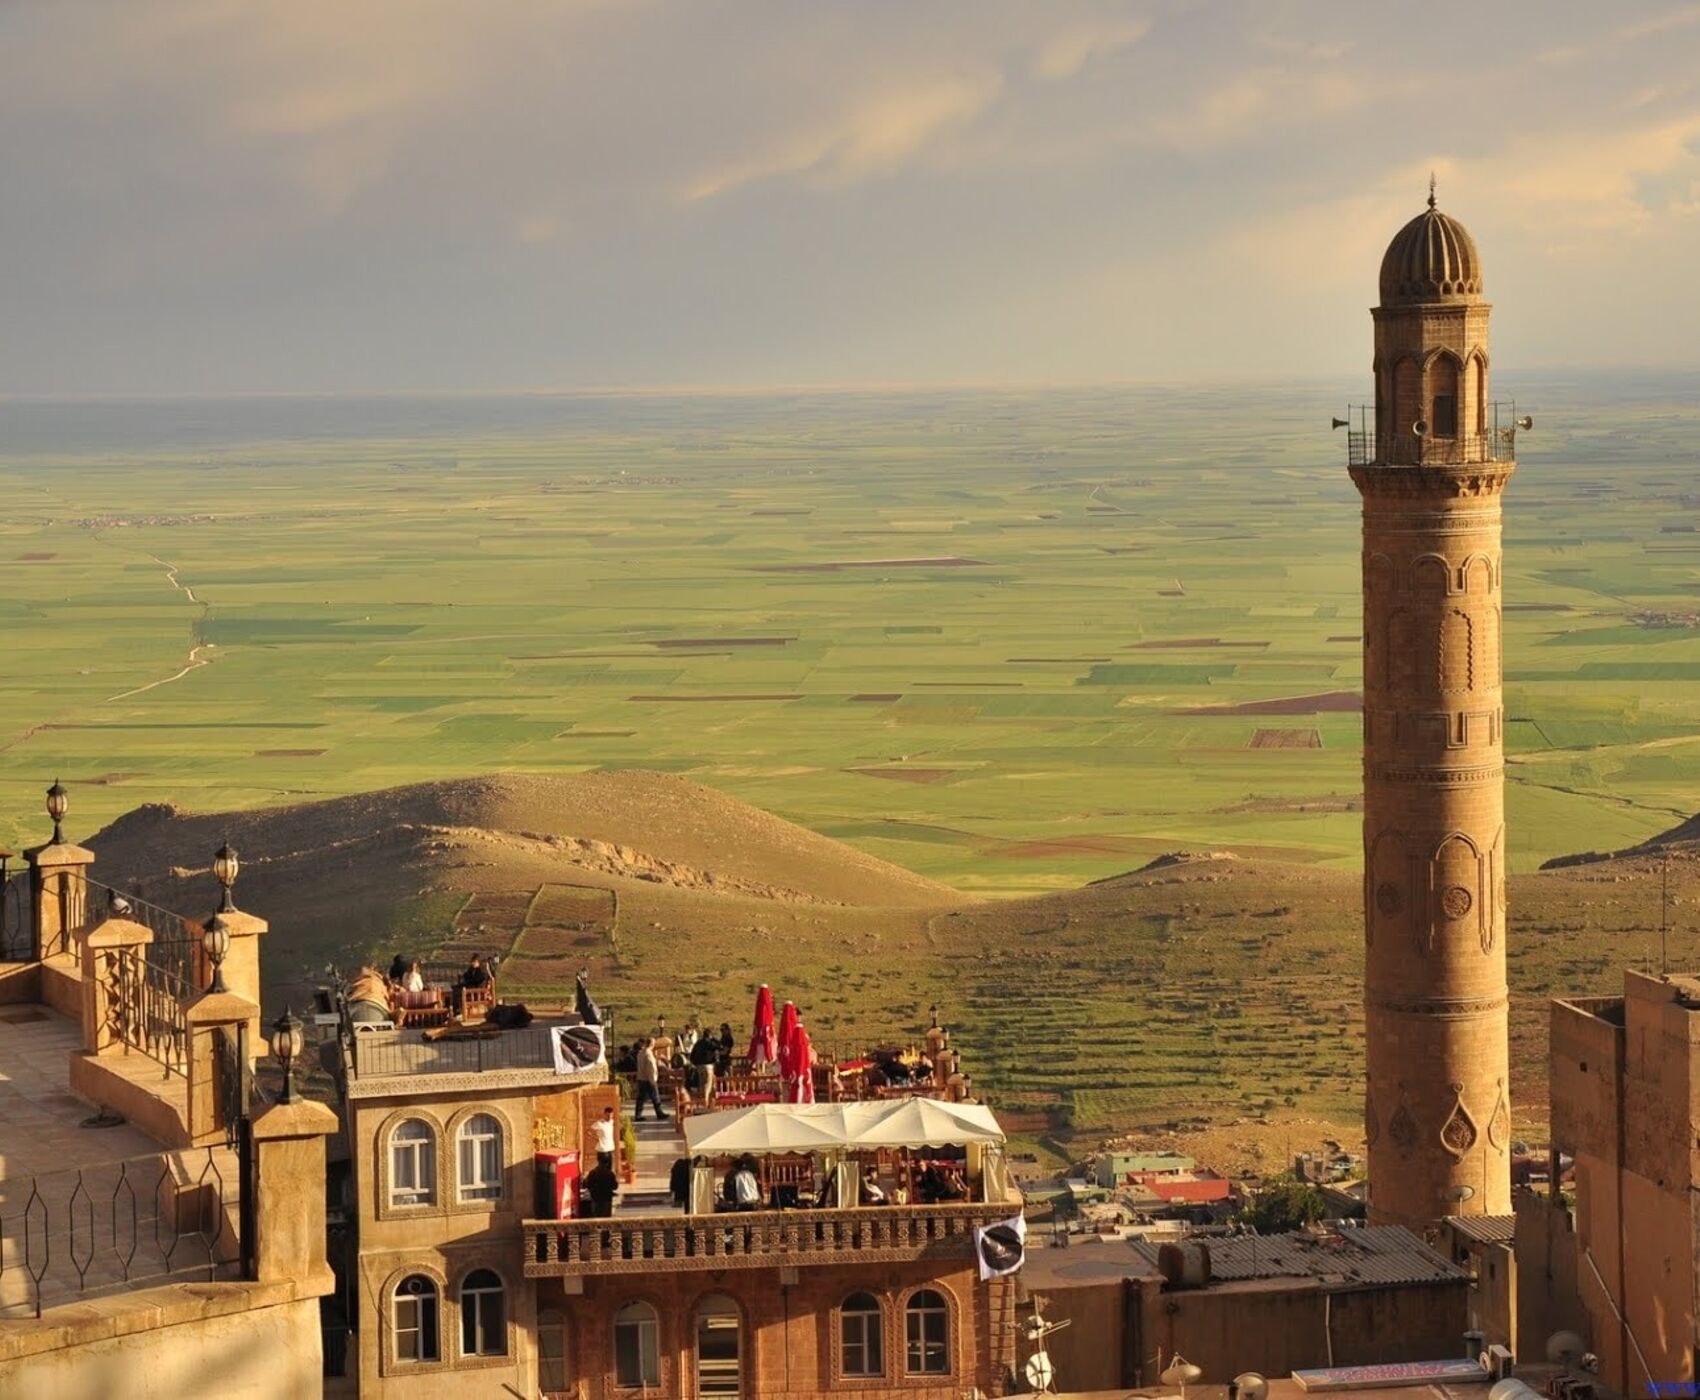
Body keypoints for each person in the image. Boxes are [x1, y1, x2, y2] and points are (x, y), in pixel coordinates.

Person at [635, 1038, 668, 1121]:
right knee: (655, 1097)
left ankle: (638, 1115)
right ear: (652, 1044)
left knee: (641, 1098)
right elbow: (651, 1068)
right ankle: (659, 1113)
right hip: (649, 1079)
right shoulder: (648, 1054)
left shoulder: (640, 1053)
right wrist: (653, 1080)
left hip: (641, 1077)